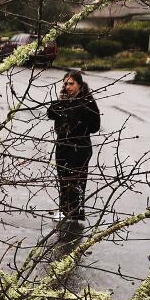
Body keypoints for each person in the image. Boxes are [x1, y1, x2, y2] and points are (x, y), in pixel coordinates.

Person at [47, 71, 101, 220]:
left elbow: (95, 126)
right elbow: (50, 113)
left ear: (80, 84)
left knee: (76, 181)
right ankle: (65, 211)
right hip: (63, 146)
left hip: (79, 148)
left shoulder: (87, 101)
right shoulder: (65, 100)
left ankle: (75, 214)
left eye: (71, 83)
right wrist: (61, 101)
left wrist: (78, 127)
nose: (68, 86)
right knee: (63, 180)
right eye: (65, 83)